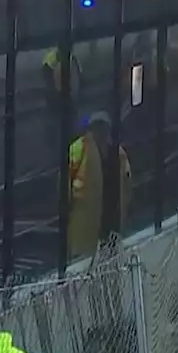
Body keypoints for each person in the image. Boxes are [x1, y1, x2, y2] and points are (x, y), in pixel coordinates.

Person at [67, 111, 132, 260]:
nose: (100, 132)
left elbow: (127, 181)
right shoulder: (78, 148)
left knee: (110, 255)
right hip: (85, 213)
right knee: (84, 258)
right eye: (97, 127)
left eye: (103, 127)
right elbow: (64, 180)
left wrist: (123, 207)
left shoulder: (117, 152)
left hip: (110, 213)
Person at [41, 46, 83, 133]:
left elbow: (77, 74)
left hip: (65, 92)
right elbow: (47, 74)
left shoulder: (72, 58)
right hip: (57, 92)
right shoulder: (52, 59)